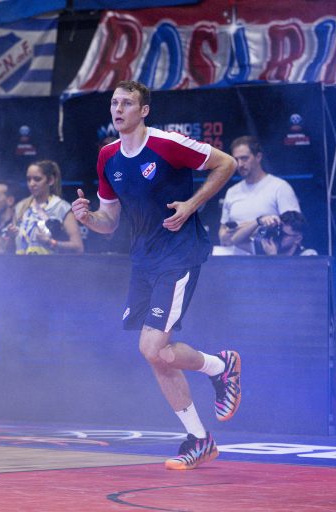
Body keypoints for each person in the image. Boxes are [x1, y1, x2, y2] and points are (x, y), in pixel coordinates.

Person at [71, 80, 241, 471]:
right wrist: (86, 218)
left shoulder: (167, 144)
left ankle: (219, 373)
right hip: (144, 259)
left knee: (151, 348)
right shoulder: (108, 156)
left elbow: (227, 163)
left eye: (127, 103)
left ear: (144, 110)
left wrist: (191, 204)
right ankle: (203, 429)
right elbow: (108, 221)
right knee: (158, 354)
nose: (118, 109)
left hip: (179, 254)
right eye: (114, 103)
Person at [216, 135, 301, 255]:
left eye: (244, 158)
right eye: (236, 160)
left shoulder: (280, 187)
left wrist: (243, 229)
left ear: (258, 157)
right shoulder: (231, 192)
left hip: (266, 260)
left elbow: (293, 230)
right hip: (235, 261)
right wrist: (257, 225)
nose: (239, 164)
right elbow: (223, 238)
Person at [11, 160, 83, 255]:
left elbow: (78, 247)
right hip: (19, 263)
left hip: (50, 263)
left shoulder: (61, 207)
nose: (31, 184)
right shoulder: (20, 207)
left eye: (37, 179)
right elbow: (6, 249)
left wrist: (51, 243)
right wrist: (10, 237)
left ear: (50, 180)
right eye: (28, 179)